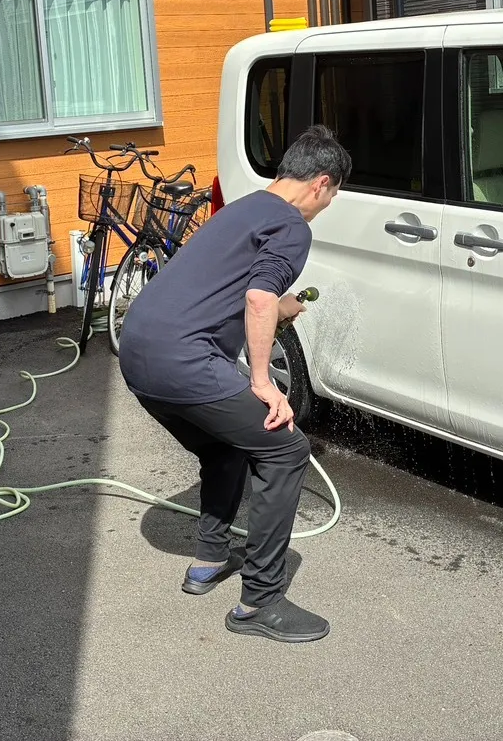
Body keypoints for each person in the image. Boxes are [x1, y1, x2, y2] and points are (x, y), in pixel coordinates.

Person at [117, 124, 351, 643]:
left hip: (137, 352)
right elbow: (258, 298)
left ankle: (208, 560)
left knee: (225, 447)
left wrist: (280, 310)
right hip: (184, 361)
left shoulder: (243, 209)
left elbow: (237, 295)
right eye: (332, 195)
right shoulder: (292, 225)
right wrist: (264, 382)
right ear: (321, 183)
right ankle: (259, 602)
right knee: (285, 449)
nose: (328, 204)